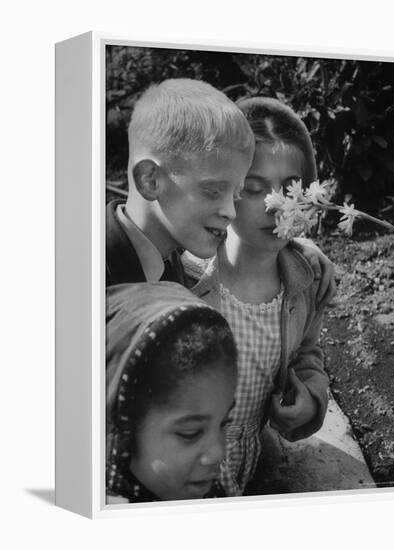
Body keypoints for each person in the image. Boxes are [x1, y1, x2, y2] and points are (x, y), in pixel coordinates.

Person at [182, 97, 331, 496]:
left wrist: (312, 400)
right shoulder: (183, 277)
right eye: (253, 187)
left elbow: (306, 354)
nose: (274, 205)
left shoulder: (306, 280)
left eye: (289, 189)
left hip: (249, 464)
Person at [106, 78, 335, 300]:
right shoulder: (89, 273)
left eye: (237, 194)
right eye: (213, 191)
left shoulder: (174, 260)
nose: (231, 212)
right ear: (150, 180)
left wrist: (298, 248)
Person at [106, 282, 238, 503]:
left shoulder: (214, 492)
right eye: (190, 433)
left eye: (224, 424)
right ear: (124, 428)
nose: (218, 454)